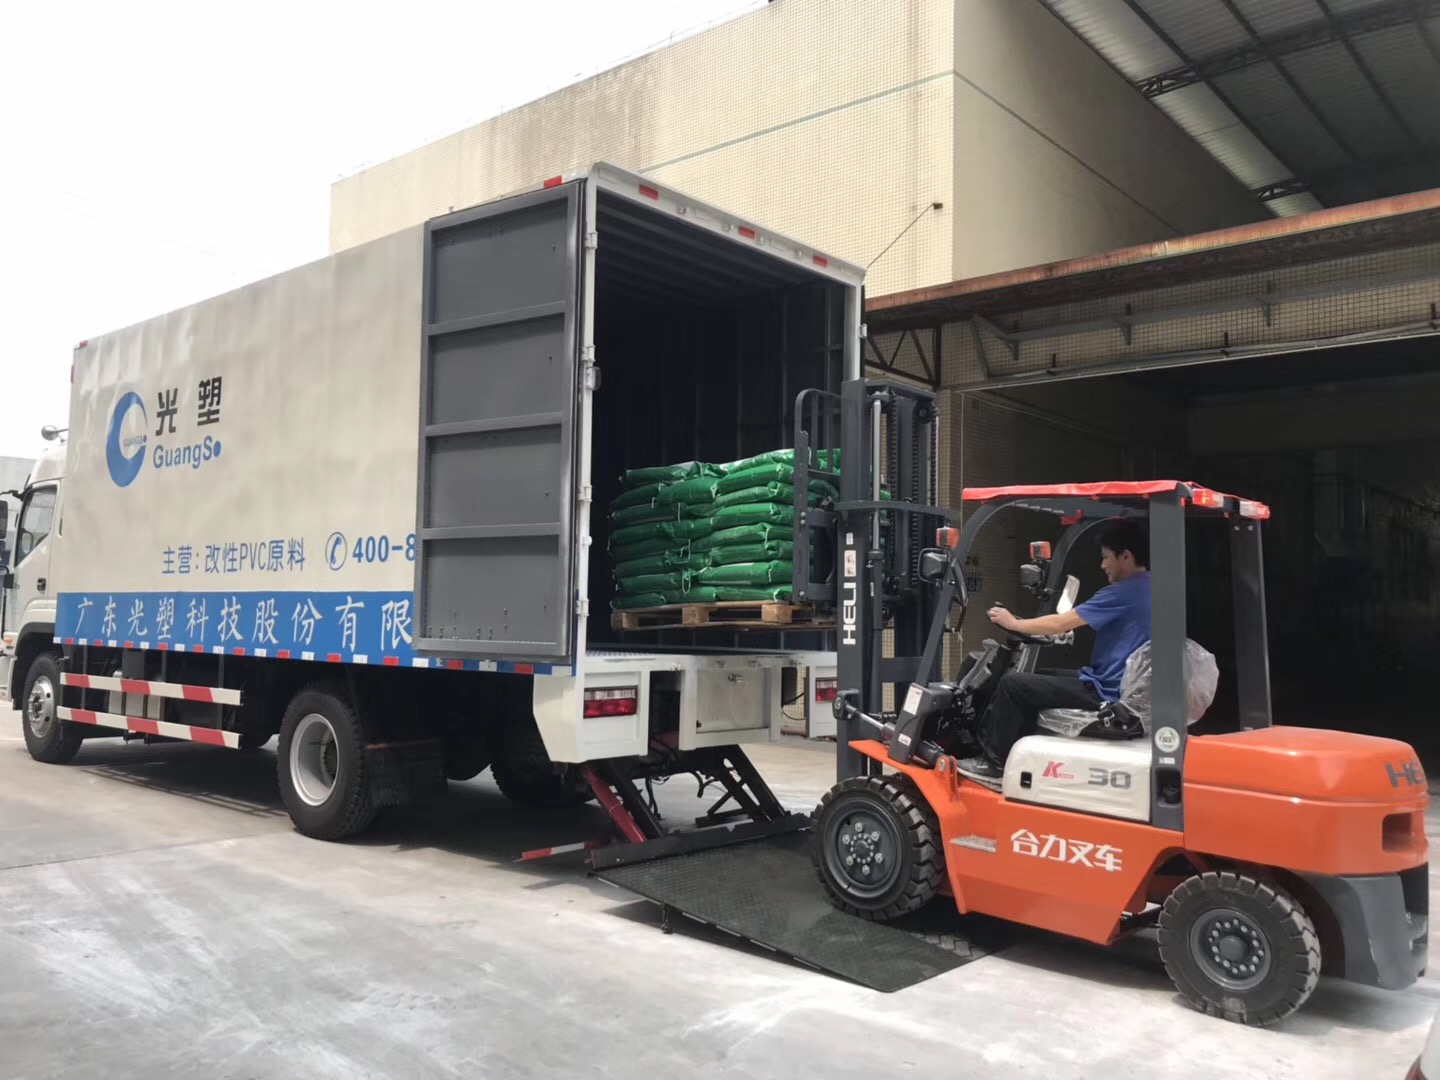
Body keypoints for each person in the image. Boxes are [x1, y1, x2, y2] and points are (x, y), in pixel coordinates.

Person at [956, 519, 1151, 783]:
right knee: (1039, 676)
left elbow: (1062, 622)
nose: (1102, 565)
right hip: (1115, 683)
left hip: (1105, 690)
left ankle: (993, 764)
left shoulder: (1121, 592)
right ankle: (1021, 754)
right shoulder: (1150, 588)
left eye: (1106, 557)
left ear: (1125, 556)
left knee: (1013, 685)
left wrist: (1014, 624)